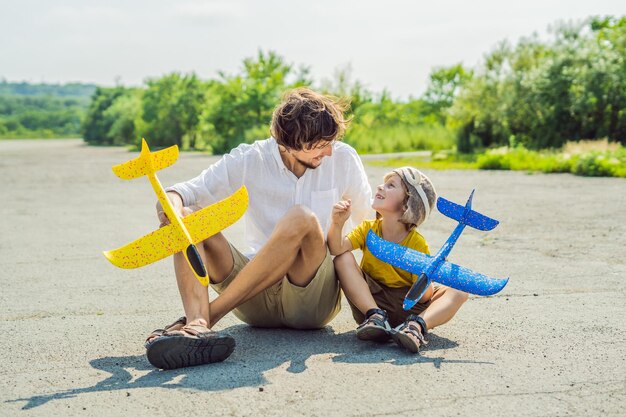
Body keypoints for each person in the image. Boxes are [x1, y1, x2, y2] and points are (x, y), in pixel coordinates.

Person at [144, 87, 373, 369]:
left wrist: (383, 298)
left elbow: (371, 225)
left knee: (301, 217)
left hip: (310, 298)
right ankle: (197, 326)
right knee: (191, 219)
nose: (328, 151)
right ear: (289, 142)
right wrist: (171, 208)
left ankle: (203, 320)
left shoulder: (343, 159)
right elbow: (185, 191)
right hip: (254, 300)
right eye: (320, 143)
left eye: (331, 141)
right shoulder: (251, 158)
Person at [327, 167, 469, 353]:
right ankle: (375, 317)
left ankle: (417, 326)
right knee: (342, 258)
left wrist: (427, 272)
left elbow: (425, 296)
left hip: (409, 307)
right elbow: (336, 248)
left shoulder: (416, 243)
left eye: (390, 185)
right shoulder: (368, 229)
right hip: (372, 300)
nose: (380, 187)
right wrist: (338, 223)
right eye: (384, 183)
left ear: (407, 204)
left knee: (460, 290)